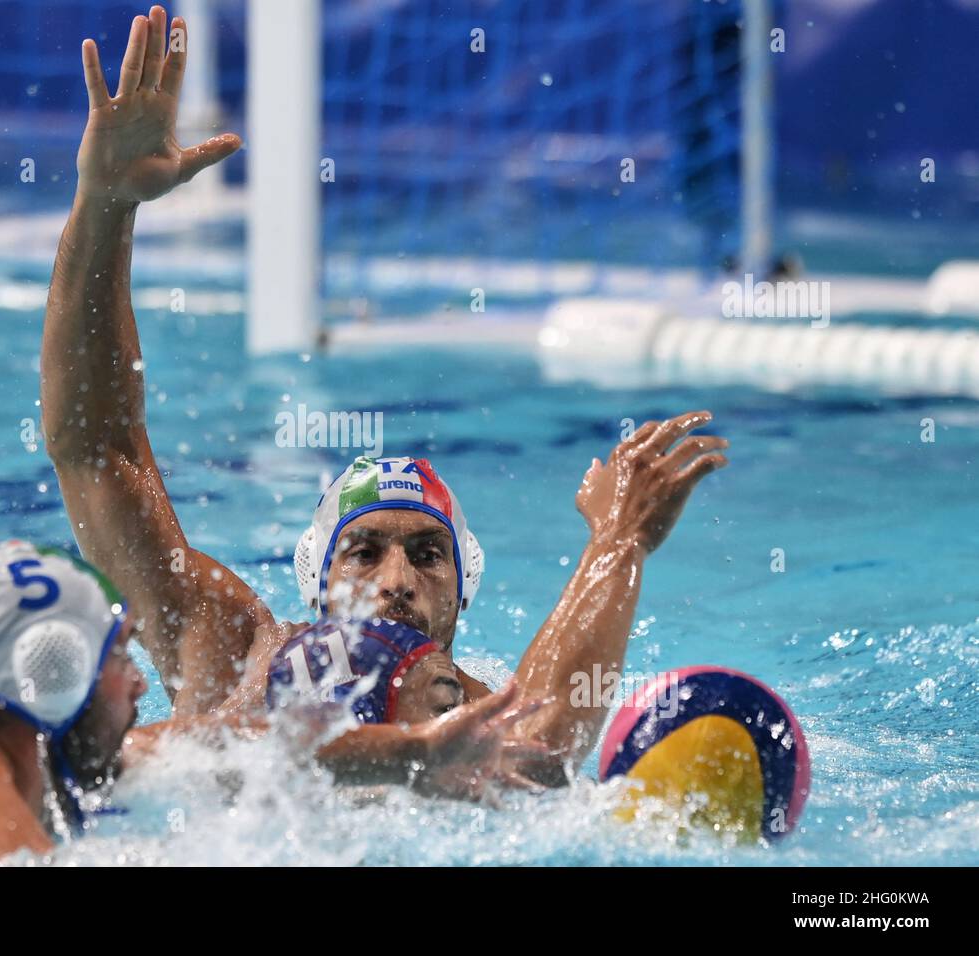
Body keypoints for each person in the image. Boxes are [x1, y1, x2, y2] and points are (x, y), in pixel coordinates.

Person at [41, 6, 729, 779]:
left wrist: (620, 541)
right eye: (364, 552)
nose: (396, 582)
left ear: (463, 594)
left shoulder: (476, 718)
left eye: (427, 555)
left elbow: (540, 753)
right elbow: (96, 455)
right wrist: (105, 204)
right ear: (313, 579)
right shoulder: (235, 655)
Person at [0, 541, 540, 866]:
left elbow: (230, 750)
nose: (138, 686)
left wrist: (416, 754)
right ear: (54, 677)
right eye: (118, 660)